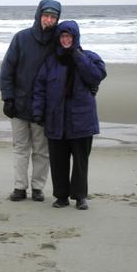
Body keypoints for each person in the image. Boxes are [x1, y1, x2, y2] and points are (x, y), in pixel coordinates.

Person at [32, 20, 106, 210]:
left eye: (69, 36)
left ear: (75, 38)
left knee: (80, 161)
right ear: (58, 38)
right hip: (56, 119)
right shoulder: (51, 61)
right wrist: (38, 113)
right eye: (63, 36)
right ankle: (61, 197)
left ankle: (80, 196)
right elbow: (40, 88)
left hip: (81, 119)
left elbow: (96, 75)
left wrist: (77, 55)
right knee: (58, 161)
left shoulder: (89, 56)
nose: (66, 39)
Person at [0, 0, 62, 202]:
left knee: (41, 151)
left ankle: (37, 188)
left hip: (43, 108)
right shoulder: (21, 38)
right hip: (18, 104)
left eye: (53, 17)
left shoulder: (58, 42)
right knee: (20, 148)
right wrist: (7, 97)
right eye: (46, 15)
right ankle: (19, 187)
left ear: (57, 19)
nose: (49, 20)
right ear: (38, 15)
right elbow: (7, 70)